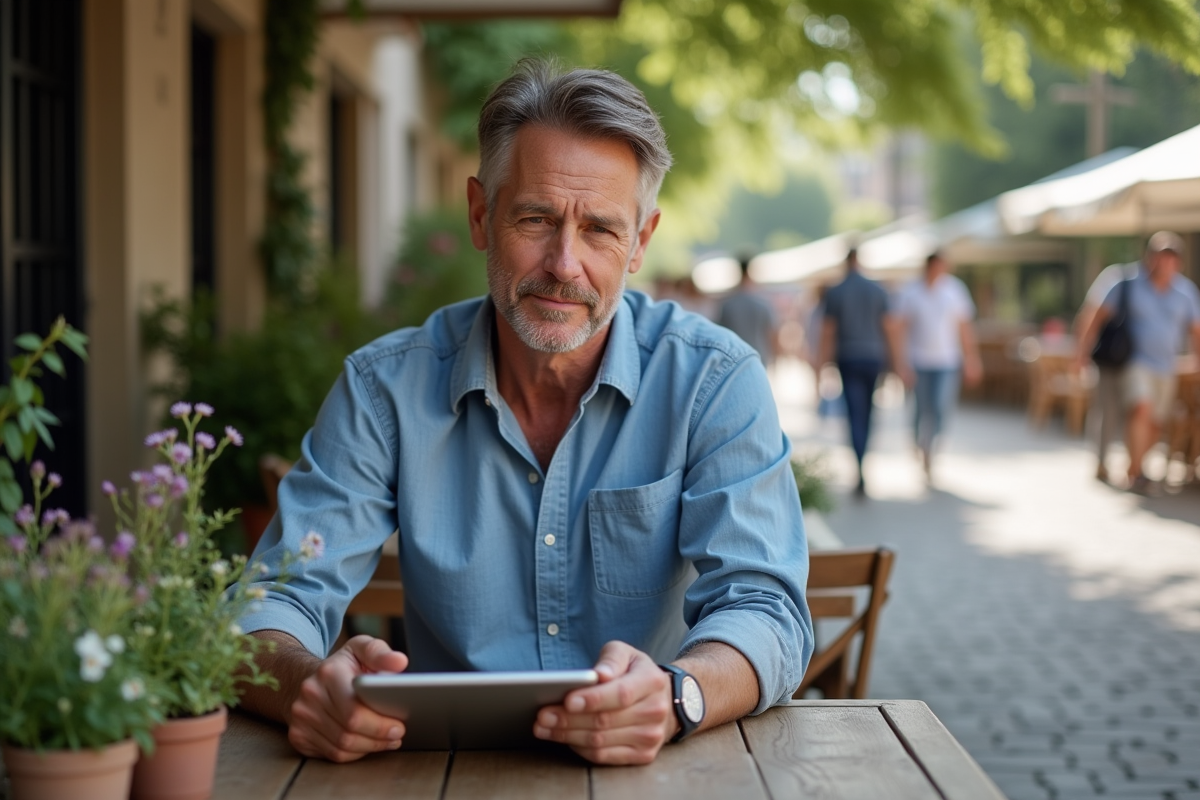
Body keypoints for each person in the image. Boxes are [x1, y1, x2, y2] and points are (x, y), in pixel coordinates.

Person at [237, 60, 813, 767]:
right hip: (443, 774)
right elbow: (270, 606)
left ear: (640, 242)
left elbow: (767, 611)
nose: (564, 264)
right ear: (482, 215)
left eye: (600, 229)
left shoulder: (714, 382)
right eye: (536, 218)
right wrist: (307, 687)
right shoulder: (383, 389)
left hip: (655, 769)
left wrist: (675, 695)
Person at [1077, 231, 1200, 495]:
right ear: (1150, 257)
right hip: (1131, 362)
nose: (1164, 263)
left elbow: (1195, 330)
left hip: (1167, 367)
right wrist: (1081, 355)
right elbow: (1094, 316)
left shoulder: (1186, 292)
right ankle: (1134, 472)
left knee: (1155, 421)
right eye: (1160, 257)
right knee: (1138, 409)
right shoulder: (1124, 281)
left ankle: (1136, 465)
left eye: (1171, 258)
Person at [818, 249, 910, 496]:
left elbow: (828, 332)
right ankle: (863, 461)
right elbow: (890, 329)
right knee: (868, 413)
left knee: (853, 413)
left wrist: (821, 365)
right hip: (873, 358)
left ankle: (859, 464)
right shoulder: (877, 290)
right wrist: (898, 363)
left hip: (848, 358)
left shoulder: (836, 292)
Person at [891, 251, 982, 479]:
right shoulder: (911, 292)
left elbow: (964, 328)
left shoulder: (955, 290)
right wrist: (901, 363)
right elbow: (900, 328)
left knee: (941, 407)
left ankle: (930, 447)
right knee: (921, 408)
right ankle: (919, 441)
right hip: (919, 361)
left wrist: (972, 358)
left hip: (947, 361)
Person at [717, 255, 778, 368]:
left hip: (734, 358)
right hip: (759, 356)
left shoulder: (727, 304)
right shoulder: (763, 303)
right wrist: (774, 359)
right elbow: (771, 334)